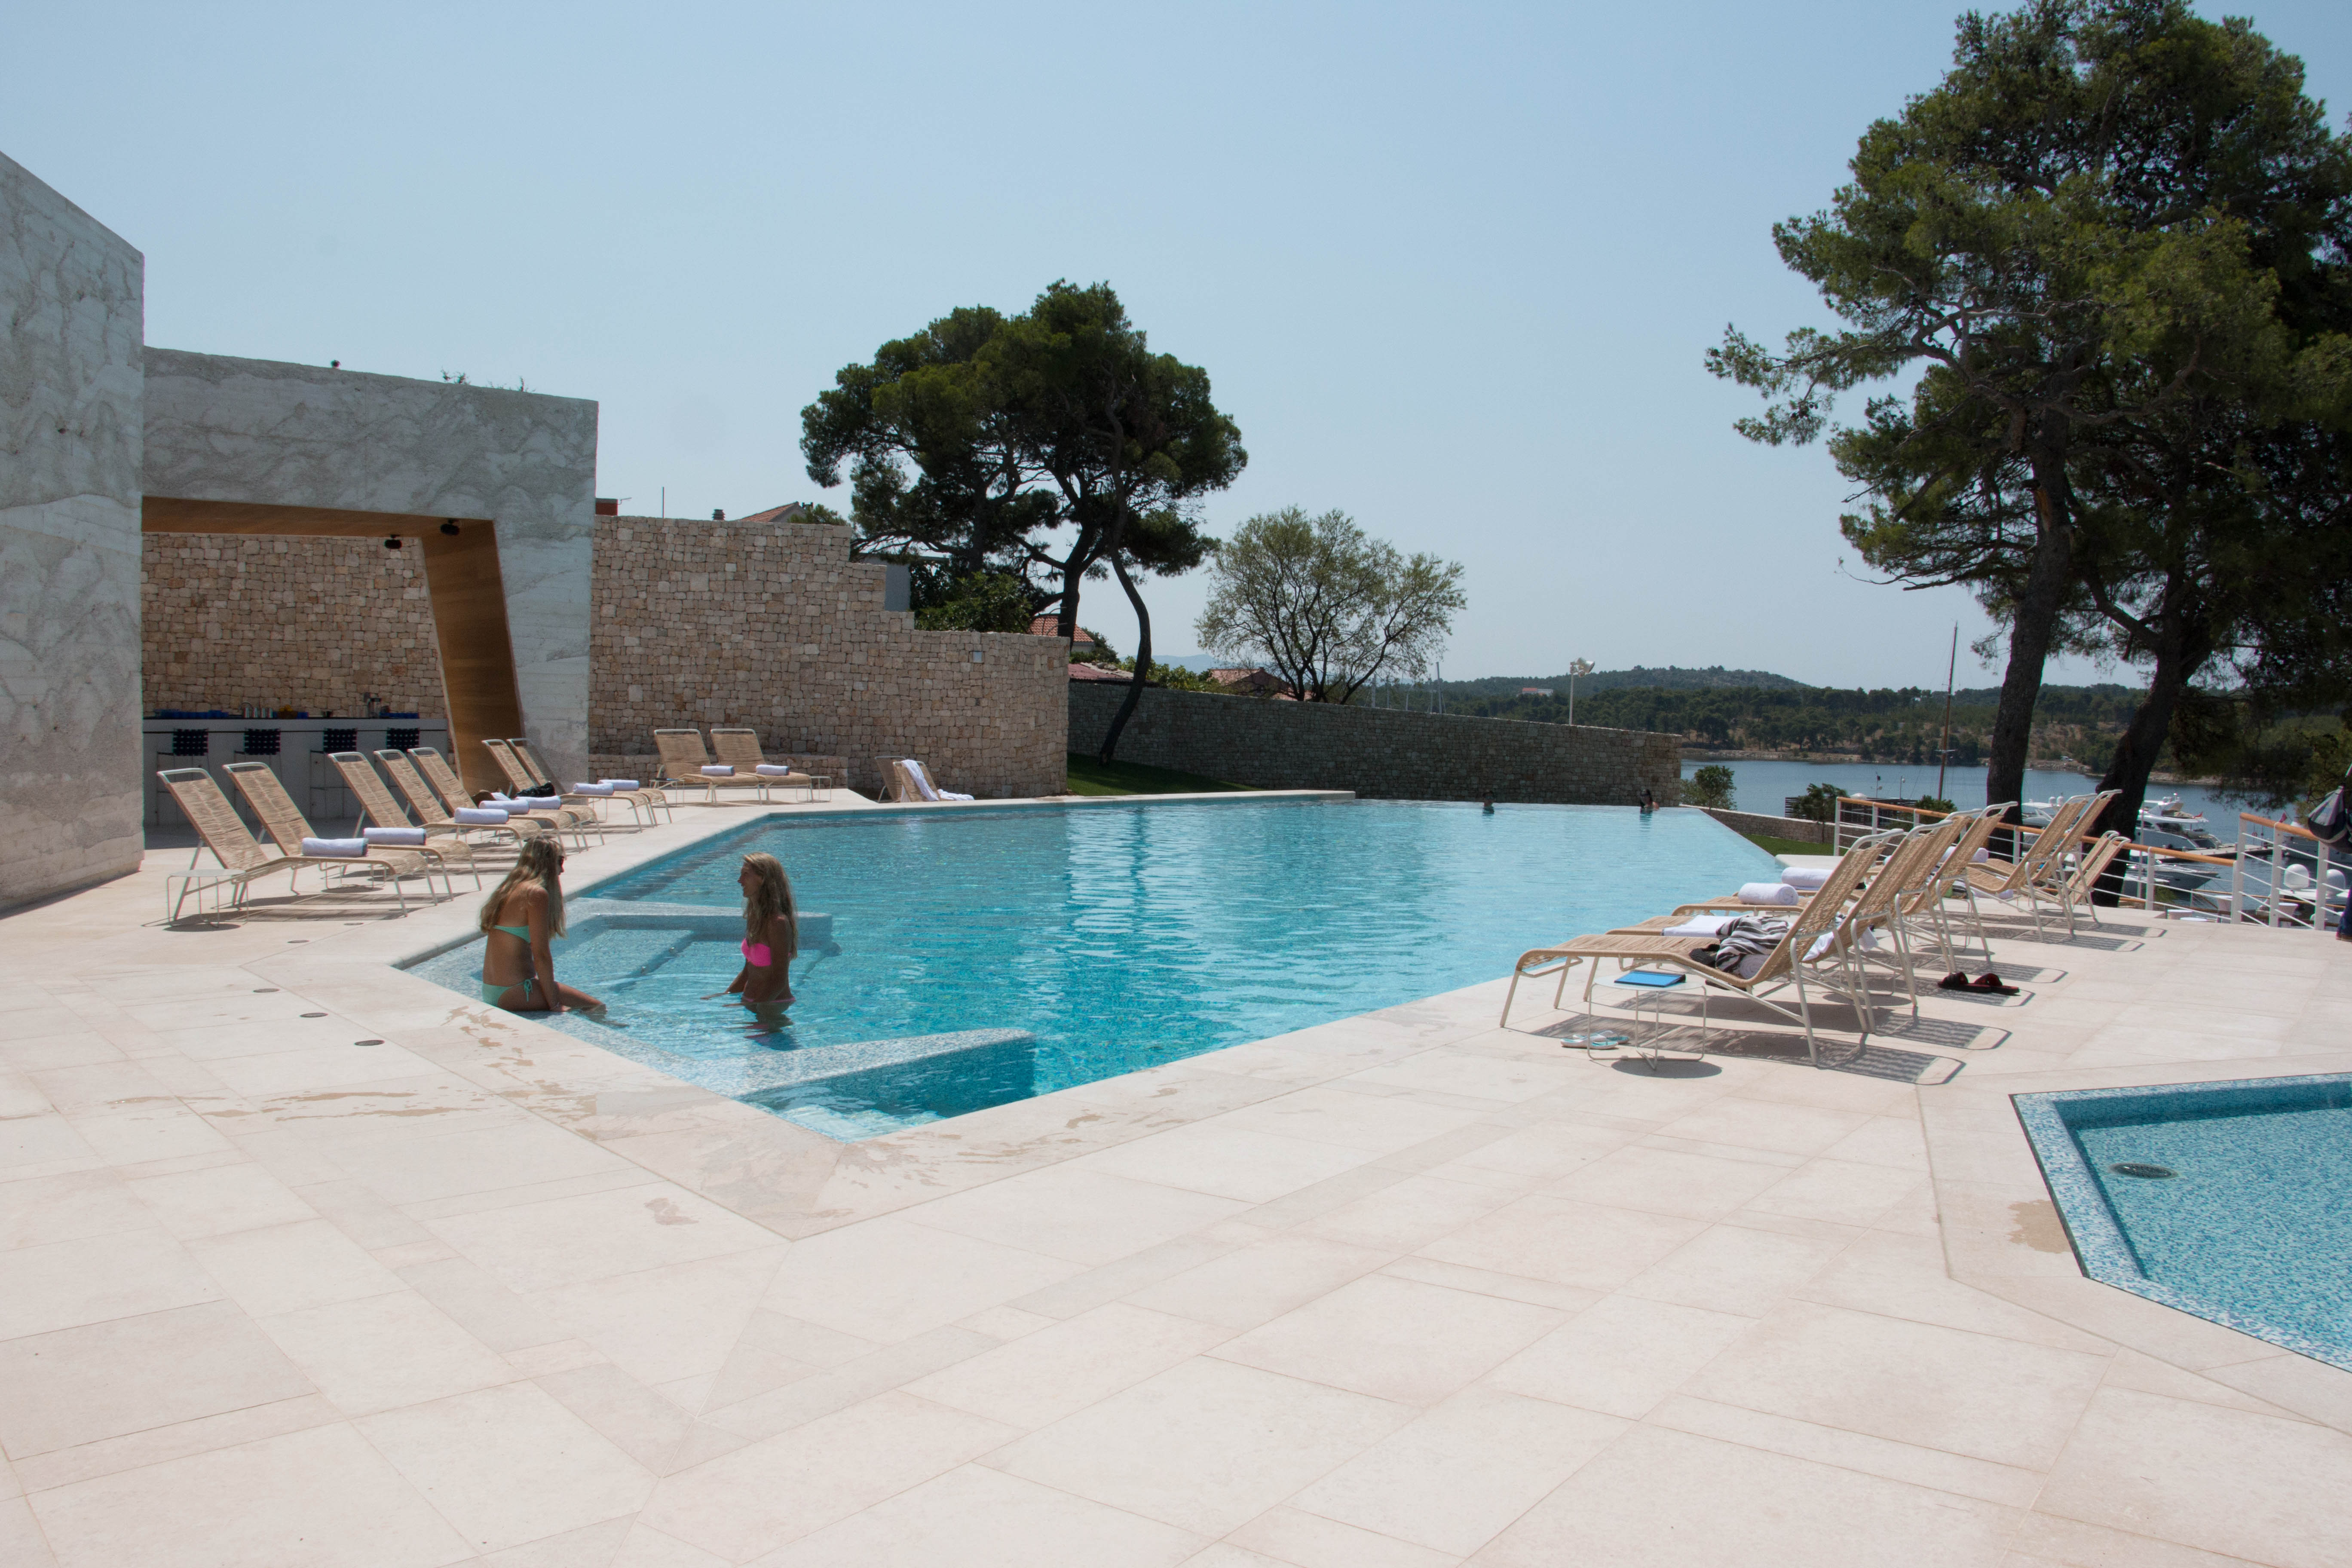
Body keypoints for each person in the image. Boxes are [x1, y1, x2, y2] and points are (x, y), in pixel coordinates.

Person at [478, 838, 602, 1013]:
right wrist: (554, 1004)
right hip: (516, 992)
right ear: (548, 862)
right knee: (596, 1007)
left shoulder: (509, 888)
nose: (562, 870)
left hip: (492, 990)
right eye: (560, 861)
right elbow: (541, 955)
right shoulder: (535, 894)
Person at [727, 852, 800, 1008]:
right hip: (753, 1004)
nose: (740, 880)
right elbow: (747, 971)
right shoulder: (755, 917)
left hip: (772, 1007)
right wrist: (723, 997)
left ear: (763, 879)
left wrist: (757, 1008)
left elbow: (779, 980)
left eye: (746, 874)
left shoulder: (777, 923)